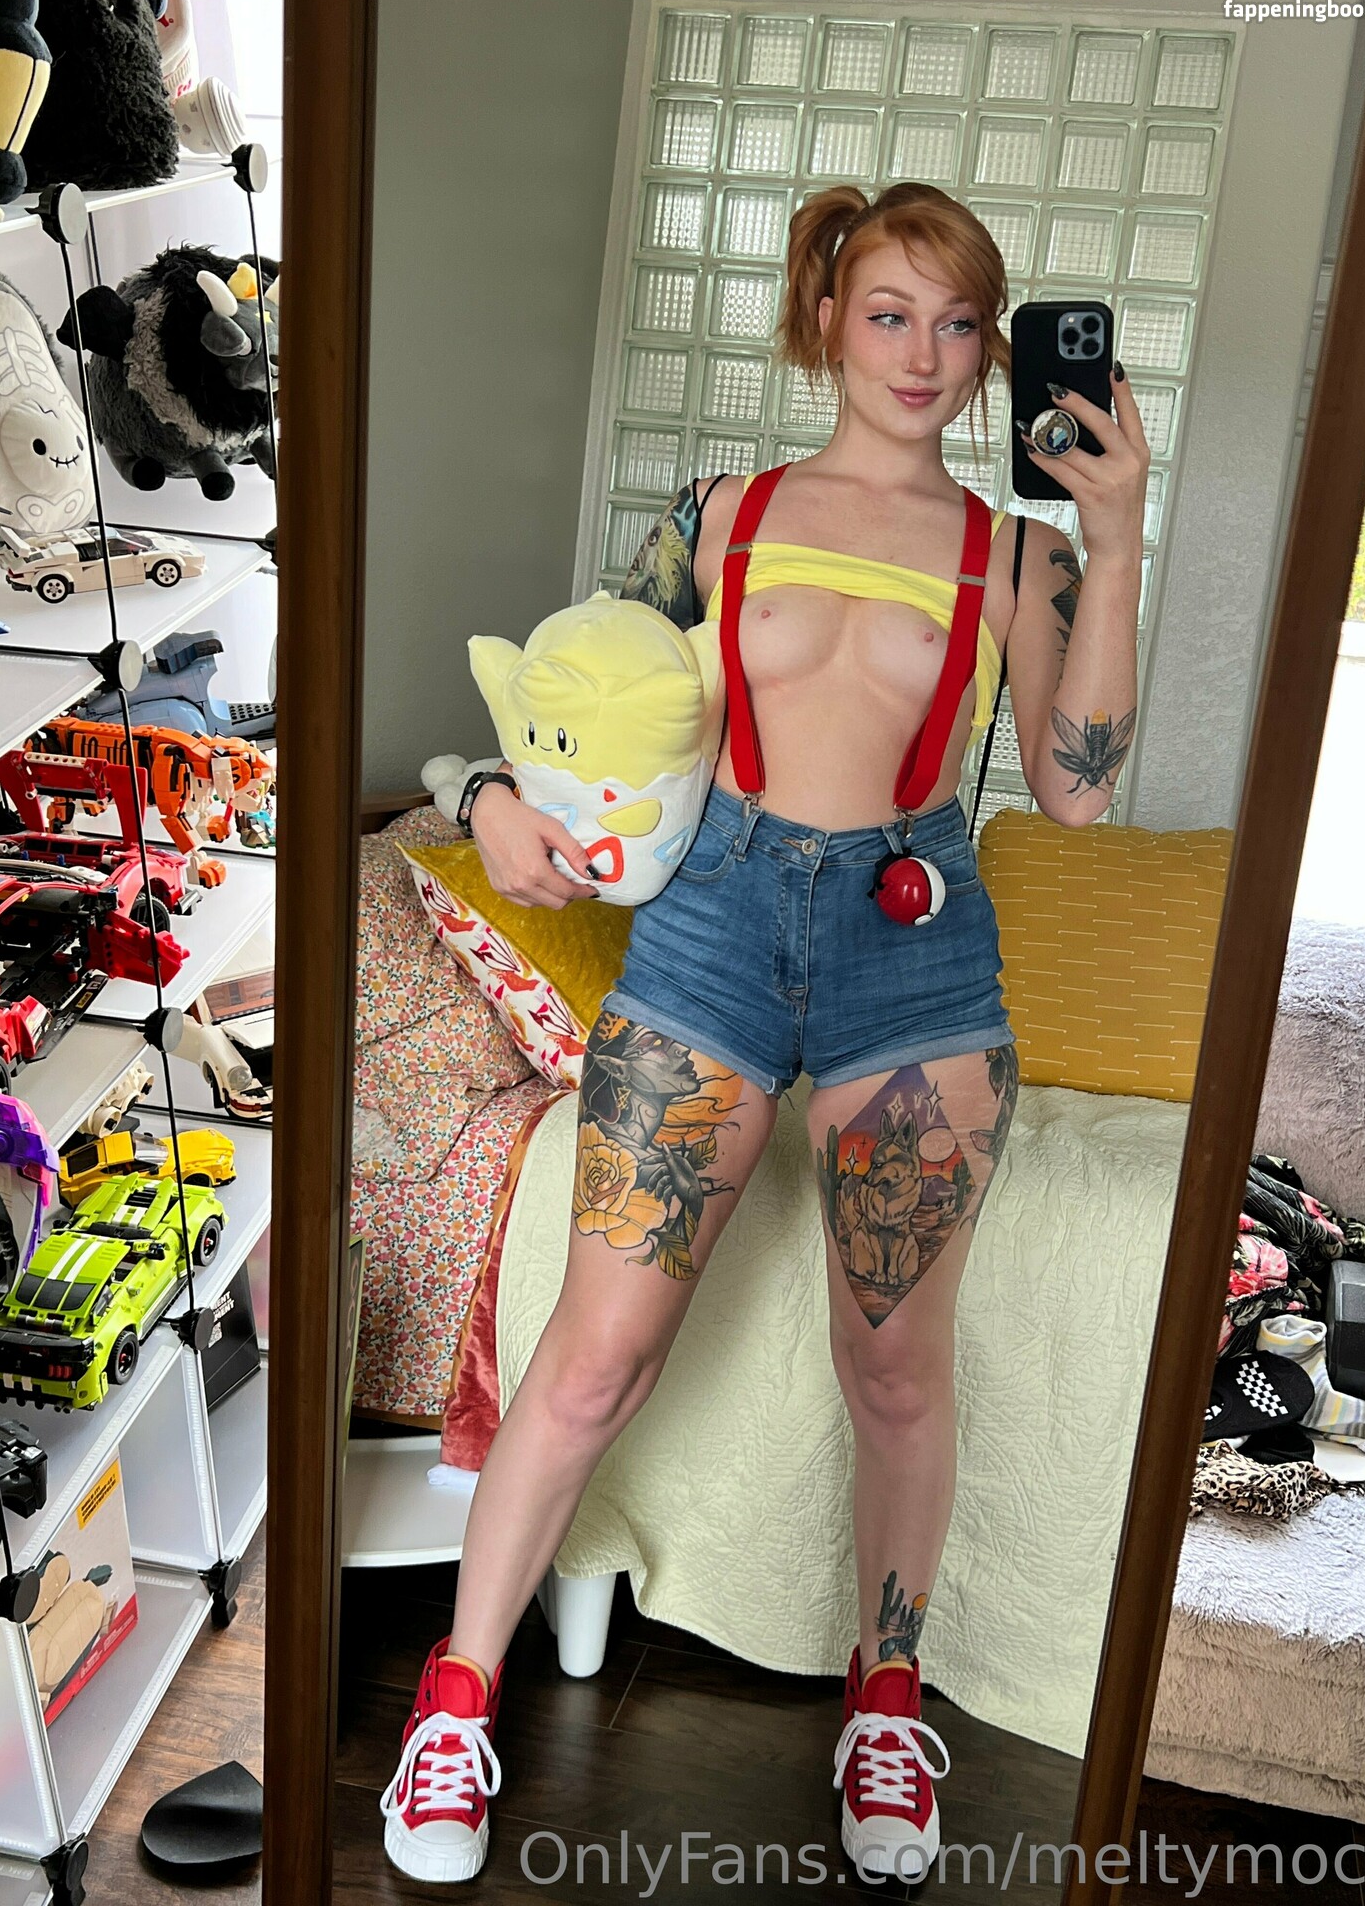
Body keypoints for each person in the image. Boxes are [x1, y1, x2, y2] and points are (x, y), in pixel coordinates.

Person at [380, 179, 1146, 1888]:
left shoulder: (1017, 555)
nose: (925, 355)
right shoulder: (722, 514)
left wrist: (1119, 538)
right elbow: (579, 694)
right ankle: (453, 1705)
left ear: (993, 351)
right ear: (828, 322)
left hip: (914, 962)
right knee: (597, 1355)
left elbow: (1081, 790)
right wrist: (488, 788)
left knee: (894, 1368)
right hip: (713, 934)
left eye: (961, 324)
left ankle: (886, 1704)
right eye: (891, 314)